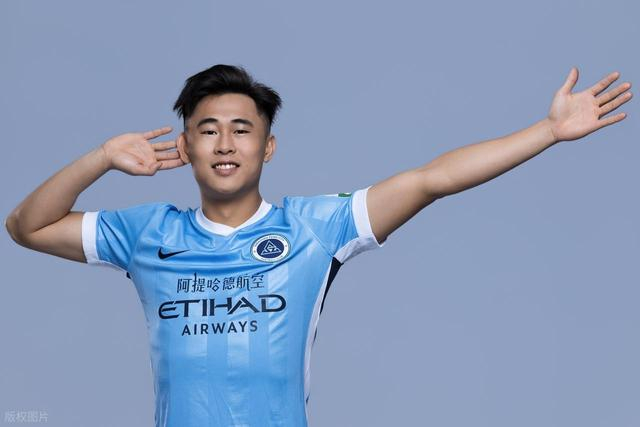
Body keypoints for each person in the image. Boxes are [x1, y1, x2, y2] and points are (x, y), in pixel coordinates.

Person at [5, 64, 632, 427]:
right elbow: (27, 226)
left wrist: (547, 131)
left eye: (242, 129)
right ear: (187, 146)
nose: (225, 144)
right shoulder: (148, 233)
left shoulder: (313, 229)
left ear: (267, 147)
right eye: (208, 130)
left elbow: (431, 179)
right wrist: (101, 158)